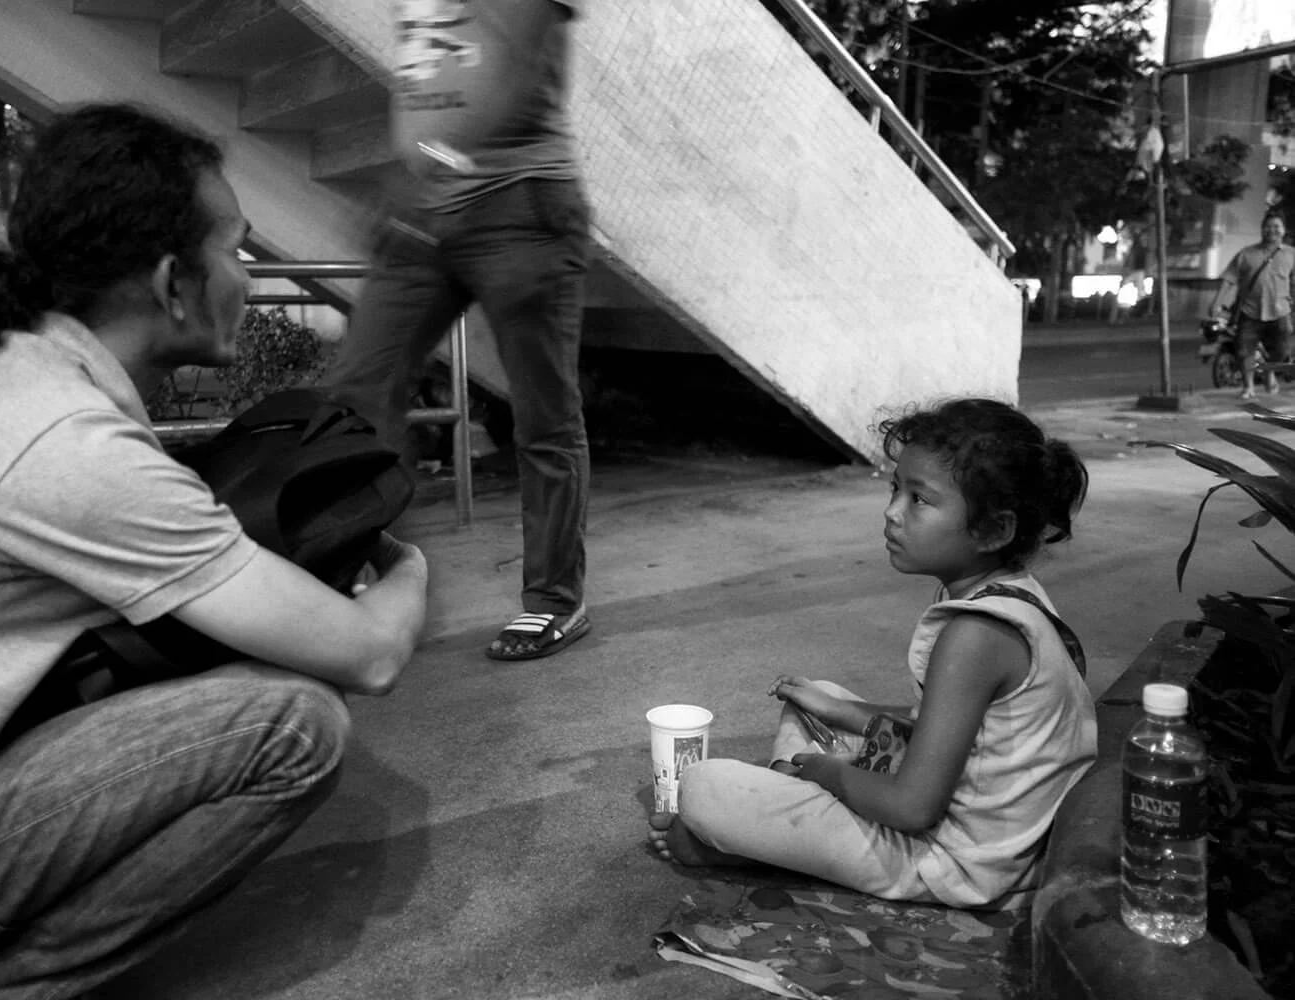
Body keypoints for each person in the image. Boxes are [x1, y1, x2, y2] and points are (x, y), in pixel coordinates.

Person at [0, 103, 429, 1000]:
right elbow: (368, 655)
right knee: (290, 725)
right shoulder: (64, 445)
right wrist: (409, 571)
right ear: (175, 281)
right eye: (235, 249)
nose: (244, 275)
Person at [648, 398, 1096, 910]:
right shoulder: (1015, 594)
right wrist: (839, 711)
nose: (891, 512)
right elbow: (950, 732)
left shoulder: (975, 636)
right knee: (819, 700)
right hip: (988, 832)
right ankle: (784, 806)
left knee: (705, 787)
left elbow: (912, 807)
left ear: (994, 530)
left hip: (955, 864)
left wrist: (827, 774)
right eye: (895, 490)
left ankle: (757, 834)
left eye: (919, 500)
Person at [322, 0, 593, 662]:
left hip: (520, 204)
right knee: (357, 389)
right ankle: (375, 574)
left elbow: (522, 66)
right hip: (428, 210)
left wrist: (425, 161)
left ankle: (556, 599)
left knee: (543, 416)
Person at [1209, 211, 1294, 401]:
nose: (1272, 230)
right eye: (1268, 226)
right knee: (1244, 350)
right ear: (1262, 229)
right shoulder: (1246, 254)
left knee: (1283, 349)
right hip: (1250, 310)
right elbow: (1229, 280)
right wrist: (1217, 302)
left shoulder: (1291, 255)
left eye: (1276, 227)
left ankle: (1269, 372)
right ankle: (1248, 387)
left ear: (1283, 230)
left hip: (1280, 311)